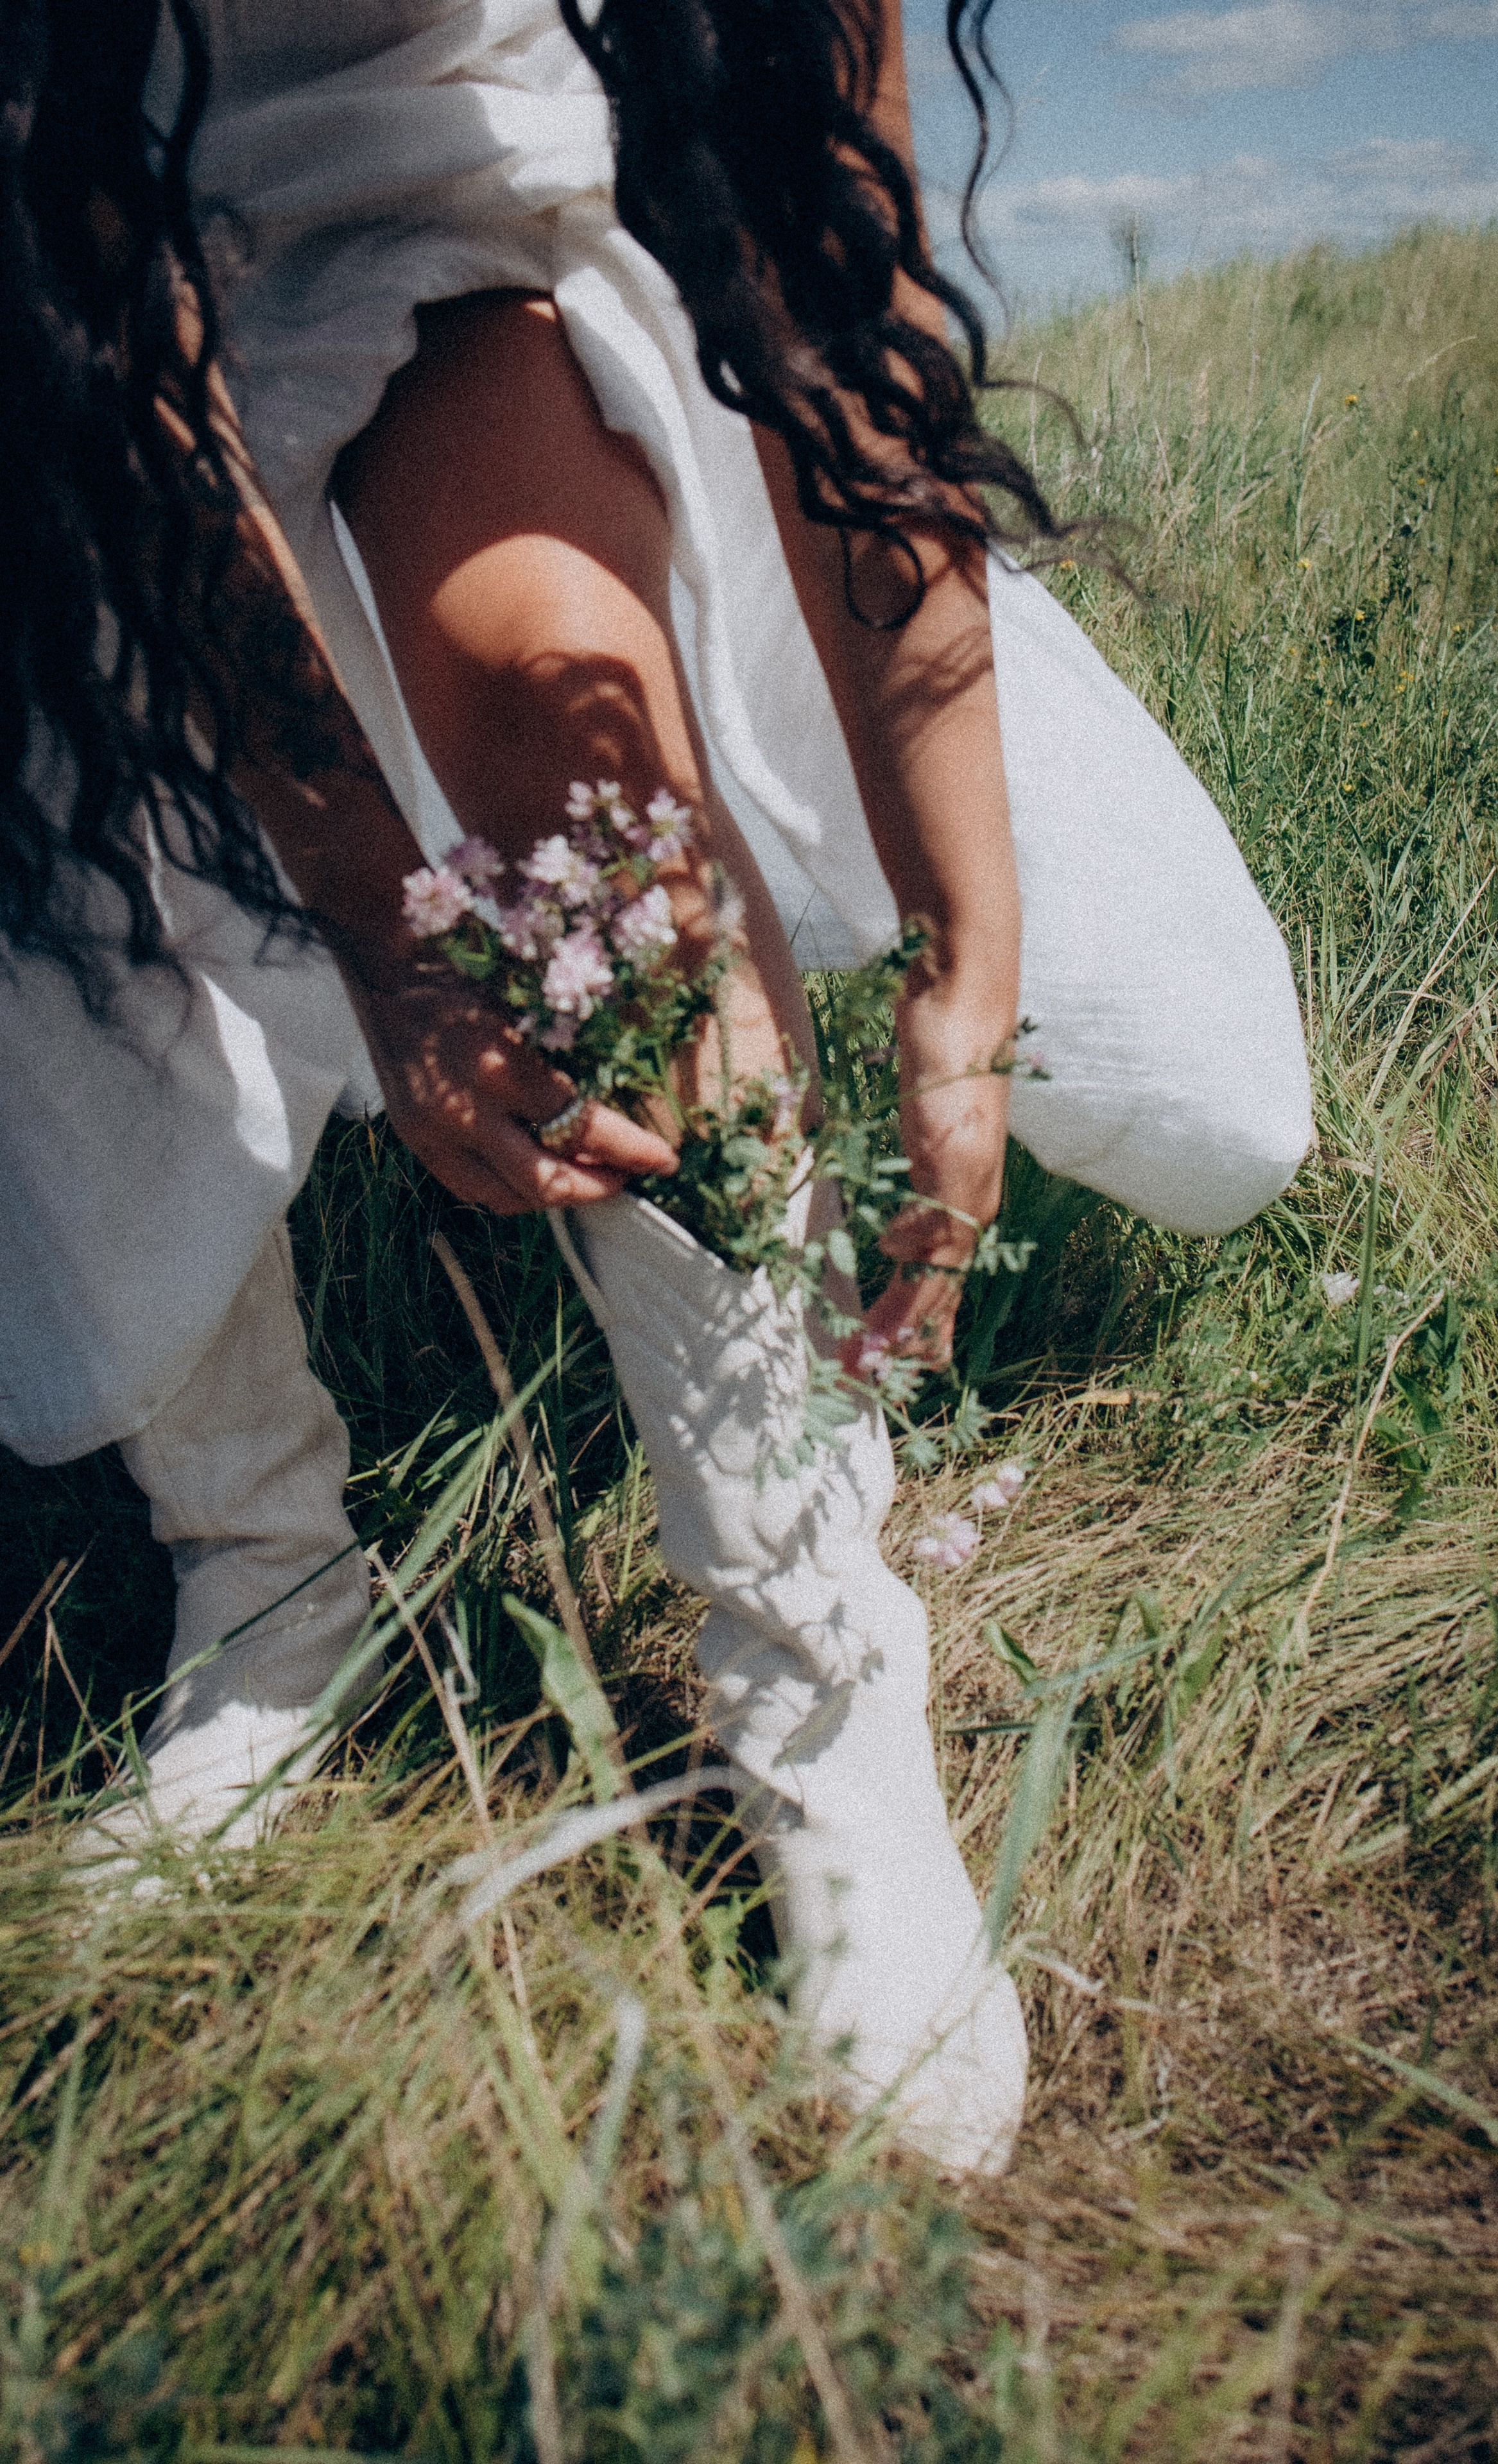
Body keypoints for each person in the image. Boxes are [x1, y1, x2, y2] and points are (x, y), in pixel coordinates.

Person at [0, 0, 1311, 2173]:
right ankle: (267, 1571)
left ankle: (816, 1668)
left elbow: (834, 298)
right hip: (81, 303)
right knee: (62, 840)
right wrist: (376, 927)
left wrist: (962, 945)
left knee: (576, 752)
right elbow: (96, 347)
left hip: (471, 199)